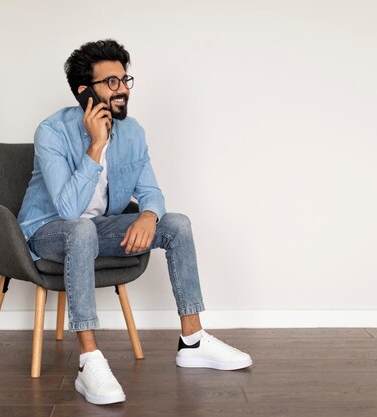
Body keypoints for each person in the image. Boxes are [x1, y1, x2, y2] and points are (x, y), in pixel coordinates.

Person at [17, 39, 252, 406]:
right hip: (49, 231)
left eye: (125, 79)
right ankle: (89, 360)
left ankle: (192, 339)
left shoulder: (133, 132)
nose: (123, 88)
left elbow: (152, 191)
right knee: (79, 228)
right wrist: (95, 145)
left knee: (176, 224)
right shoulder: (52, 132)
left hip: (98, 230)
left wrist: (147, 215)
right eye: (111, 82)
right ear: (84, 92)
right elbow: (68, 209)